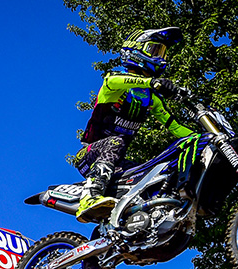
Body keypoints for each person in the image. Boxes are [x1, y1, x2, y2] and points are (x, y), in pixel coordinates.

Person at [69, 27, 197, 221]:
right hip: (90, 156)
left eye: (162, 52)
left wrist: (202, 137)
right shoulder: (114, 81)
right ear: (135, 51)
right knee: (116, 142)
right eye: (155, 50)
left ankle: (136, 224)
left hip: (117, 163)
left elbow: (175, 127)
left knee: (153, 174)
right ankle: (90, 196)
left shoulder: (151, 98)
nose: (160, 57)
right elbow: (115, 80)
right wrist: (152, 82)